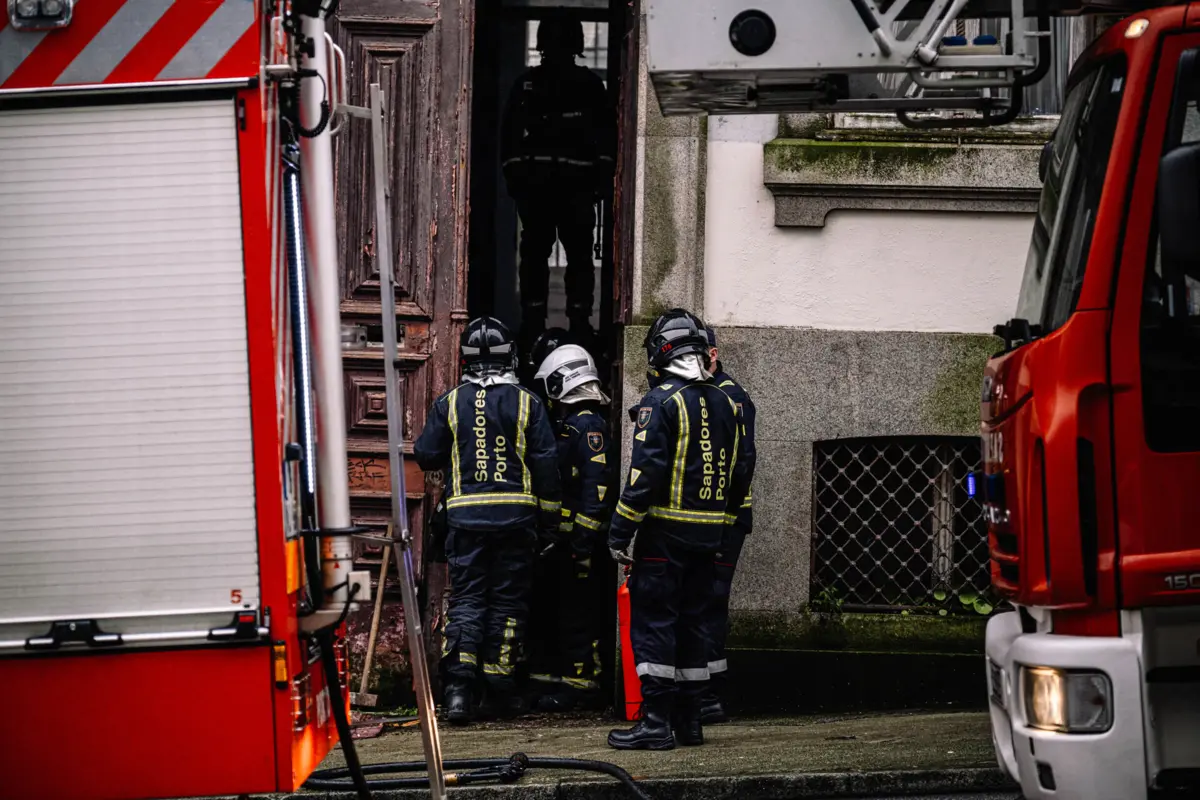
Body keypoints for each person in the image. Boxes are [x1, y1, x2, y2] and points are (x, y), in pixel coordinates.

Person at [606, 309, 751, 751]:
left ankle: (654, 724)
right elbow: (740, 470)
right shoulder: (729, 401)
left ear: (660, 352)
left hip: (665, 536)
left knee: (655, 625)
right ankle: (690, 723)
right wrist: (724, 525)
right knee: (694, 626)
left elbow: (643, 476)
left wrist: (619, 530)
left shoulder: (661, 402)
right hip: (710, 537)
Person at [413, 317, 562, 725]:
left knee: (468, 601)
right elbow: (547, 469)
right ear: (510, 356)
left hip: (465, 523)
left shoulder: (449, 403)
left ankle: (459, 692)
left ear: (463, 360)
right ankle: (500, 689)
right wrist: (550, 525)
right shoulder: (529, 402)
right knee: (508, 602)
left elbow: (426, 454)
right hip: (516, 521)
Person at [500, 17, 616, 351]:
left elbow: (606, 140)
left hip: (575, 190)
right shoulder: (528, 85)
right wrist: (515, 179)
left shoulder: (590, 86)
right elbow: (509, 139)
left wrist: (600, 183)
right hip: (539, 189)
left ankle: (578, 322)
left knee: (578, 257)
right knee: (537, 256)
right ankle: (535, 322)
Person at [527, 344, 615, 711]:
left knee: (578, 612)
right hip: (566, 541)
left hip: (582, 545)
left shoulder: (589, 426)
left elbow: (596, 492)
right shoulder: (572, 424)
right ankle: (556, 677)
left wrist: (582, 542)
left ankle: (582, 684)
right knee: (561, 609)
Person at [700, 325, 757, 724]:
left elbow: (742, 463)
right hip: (706, 518)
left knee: (710, 602)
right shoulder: (700, 392)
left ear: (713, 354)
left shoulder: (731, 396)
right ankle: (700, 693)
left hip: (724, 521)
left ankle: (709, 696)